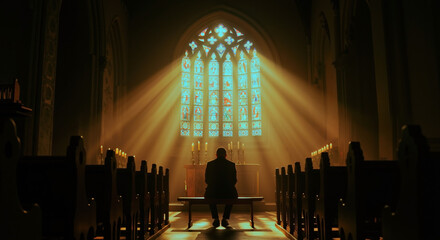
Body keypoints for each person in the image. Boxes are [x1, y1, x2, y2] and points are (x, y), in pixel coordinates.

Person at [204, 147, 238, 228]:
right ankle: (225, 218)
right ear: (226, 155)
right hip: (228, 192)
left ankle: (215, 218)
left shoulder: (210, 164)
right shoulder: (231, 165)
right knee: (233, 195)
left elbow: (207, 180)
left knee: (209, 194)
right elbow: (234, 180)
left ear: (216, 155)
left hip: (213, 192)